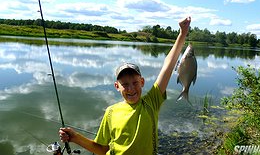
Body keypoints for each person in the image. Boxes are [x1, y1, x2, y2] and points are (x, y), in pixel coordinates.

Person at [59, 17, 192, 155]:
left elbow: (168, 66)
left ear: (142, 82)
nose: (131, 89)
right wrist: (75, 138)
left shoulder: (152, 101)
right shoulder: (111, 112)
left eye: (135, 83)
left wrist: (182, 34)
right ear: (117, 86)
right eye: (125, 84)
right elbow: (101, 149)